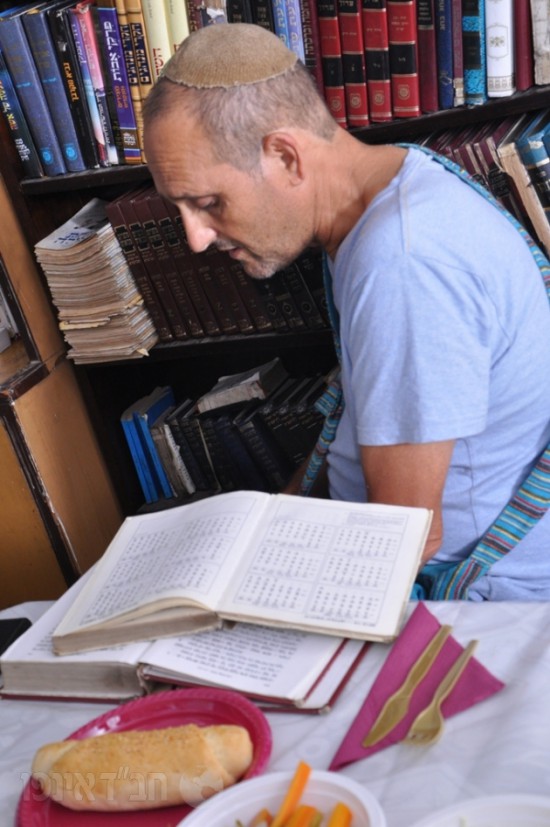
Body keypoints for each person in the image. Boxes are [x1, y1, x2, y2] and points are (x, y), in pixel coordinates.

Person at [142, 23, 550, 600]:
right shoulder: (394, 180)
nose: (195, 238)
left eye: (209, 203)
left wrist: (248, 590)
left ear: (285, 156)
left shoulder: (403, 262)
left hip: (474, 601)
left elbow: (407, 537)